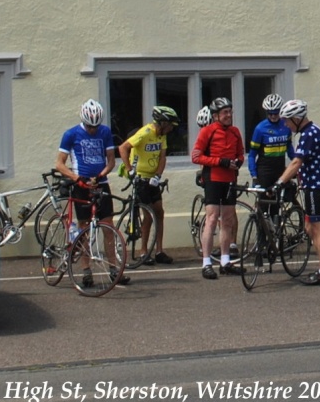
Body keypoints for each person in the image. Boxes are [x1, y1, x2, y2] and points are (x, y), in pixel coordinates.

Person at [55, 99, 128, 286]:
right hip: (81, 185)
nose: (93, 130)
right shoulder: (71, 134)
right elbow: (60, 164)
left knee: (108, 226)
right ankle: (86, 271)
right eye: (89, 126)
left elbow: (111, 161)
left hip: (100, 184)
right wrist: (76, 178)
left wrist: (101, 174)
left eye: (95, 126)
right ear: (83, 121)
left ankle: (114, 269)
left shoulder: (105, 132)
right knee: (84, 228)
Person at [273, 99, 320, 285]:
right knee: (309, 227)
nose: (286, 124)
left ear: (297, 119)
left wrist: (279, 182)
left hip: (315, 188)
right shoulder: (311, 131)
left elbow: (296, 162)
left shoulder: (309, 134)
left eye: (287, 120)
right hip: (311, 186)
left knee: (318, 228)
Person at [117, 105, 179, 265]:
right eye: (170, 125)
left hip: (152, 178)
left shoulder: (162, 135)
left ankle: (159, 251)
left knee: (159, 212)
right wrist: (130, 170)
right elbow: (122, 148)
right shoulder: (145, 133)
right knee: (148, 214)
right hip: (140, 177)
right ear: (162, 123)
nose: (172, 128)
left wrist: (158, 175)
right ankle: (143, 252)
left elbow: (162, 157)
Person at [192, 97, 245, 279]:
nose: (229, 115)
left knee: (227, 220)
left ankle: (225, 261)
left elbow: (240, 153)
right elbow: (196, 156)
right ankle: (206, 263)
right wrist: (220, 162)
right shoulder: (207, 131)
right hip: (213, 179)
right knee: (212, 219)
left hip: (230, 179)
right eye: (225, 112)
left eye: (230, 111)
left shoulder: (235, 132)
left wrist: (238, 161)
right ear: (215, 116)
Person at [247, 93, 294, 216]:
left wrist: (297, 163)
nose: (273, 116)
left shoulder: (286, 126)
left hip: (279, 169)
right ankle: (262, 229)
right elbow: (252, 155)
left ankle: (276, 228)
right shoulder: (260, 129)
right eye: (270, 113)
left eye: (276, 113)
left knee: (276, 207)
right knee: (263, 208)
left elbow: (289, 149)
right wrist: (254, 176)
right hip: (264, 171)